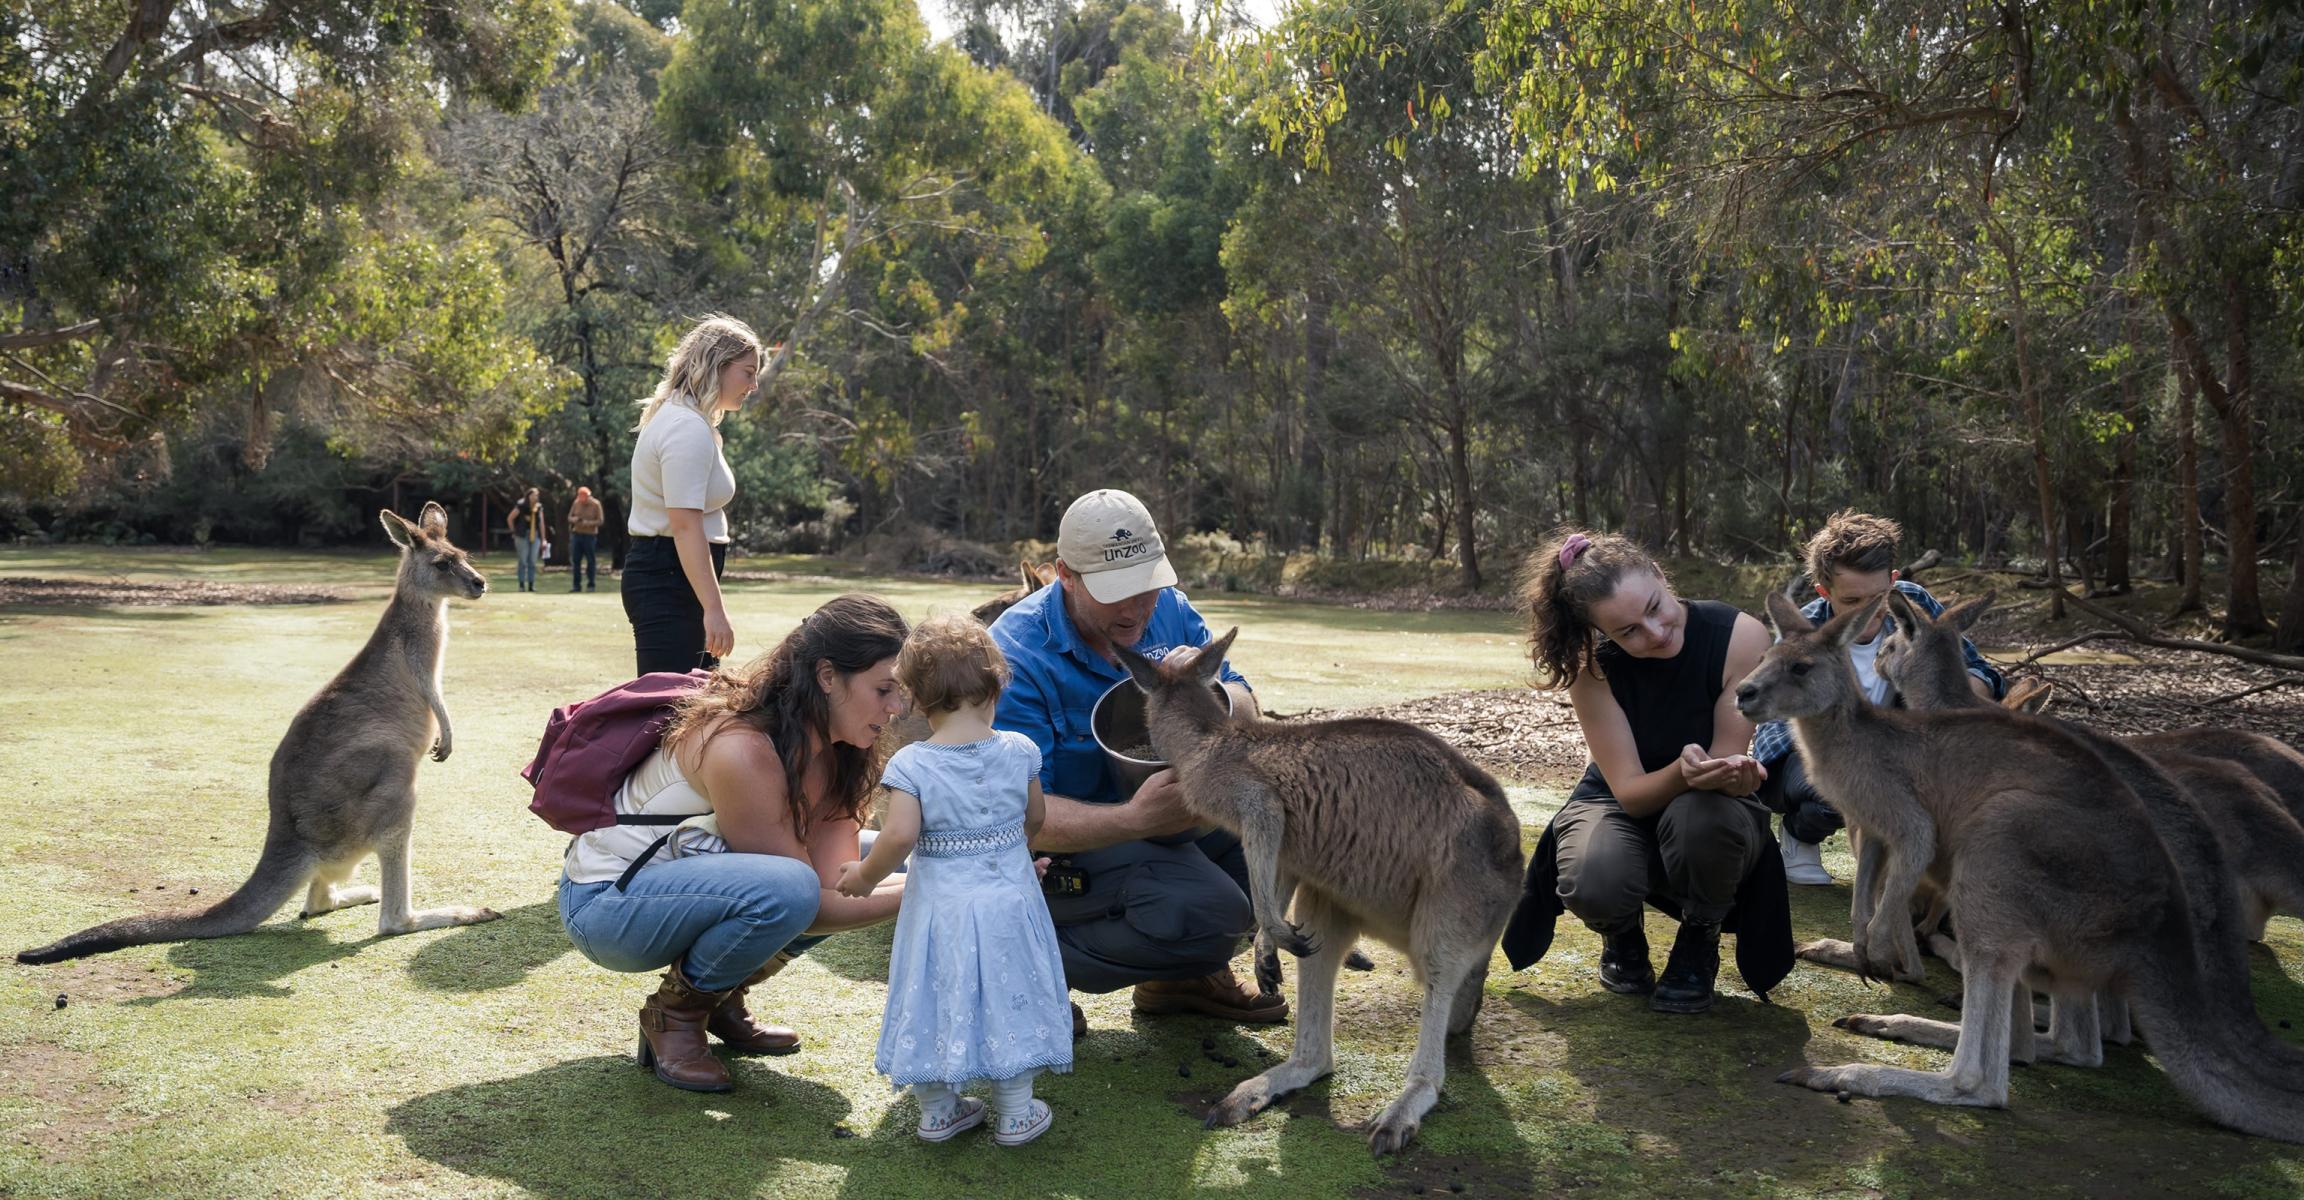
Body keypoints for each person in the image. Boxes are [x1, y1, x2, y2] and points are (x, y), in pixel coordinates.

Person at [557, 594, 910, 1093]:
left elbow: (841, 878)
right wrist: (931, 886)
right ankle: (676, 1016)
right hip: (606, 905)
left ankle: (722, 996)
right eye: (883, 690)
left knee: (892, 853)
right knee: (789, 888)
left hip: (678, 887)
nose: (896, 708)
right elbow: (807, 901)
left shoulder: (838, 749)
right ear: (828, 676)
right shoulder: (741, 748)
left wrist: (933, 871)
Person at [986, 488, 1286, 1030]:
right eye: (1115, 592)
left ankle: (1179, 980)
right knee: (1212, 910)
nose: (1135, 609)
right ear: (1065, 575)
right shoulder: (1016, 653)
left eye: (1145, 587)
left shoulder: (1168, 609)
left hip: (1166, 815)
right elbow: (1017, 818)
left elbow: (1244, 703)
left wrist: (1212, 682)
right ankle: (1024, 969)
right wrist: (1134, 820)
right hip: (1061, 848)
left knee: (1275, 853)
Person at [1499, 530, 1792, 1014]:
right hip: (1618, 796)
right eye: (1628, 631)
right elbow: (1631, 794)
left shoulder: (1741, 636)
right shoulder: (1590, 666)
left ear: (1659, 574)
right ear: (1600, 633)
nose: (1654, 633)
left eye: (1655, 607)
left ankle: (1700, 936)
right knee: (1592, 878)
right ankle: (1622, 936)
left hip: (1708, 804)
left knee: (1705, 820)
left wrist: (1737, 777)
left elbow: (1724, 764)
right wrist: (1682, 771)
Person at [837, 615, 1071, 1146]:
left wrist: (864, 877)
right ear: (995, 684)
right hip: (1010, 901)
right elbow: (1033, 818)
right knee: (1011, 988)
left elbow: (897, 837)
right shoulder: (1020, 750)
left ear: (916, 697)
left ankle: (939, 1111)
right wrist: (1014, 854)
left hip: (940, 907)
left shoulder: (914, 763)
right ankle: (1015, 1111)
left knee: (933, 990)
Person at [1751, 511, 2005, 884]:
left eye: (1879, 595)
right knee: (1849, 786)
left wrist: (1947, 699)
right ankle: (1800, 832)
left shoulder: (1910, 607)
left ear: (1894, 581)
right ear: (1825, 592)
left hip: (1899, 743)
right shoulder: (1806, 630)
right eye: (1852, 600)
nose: (1869, 609)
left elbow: (1981, 672)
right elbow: (1773, 728)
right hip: (1821, 752)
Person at [624, 314, 761, 676]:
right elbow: (685, 526)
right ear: (717, 365)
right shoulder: (686, 427)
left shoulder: (692, 421)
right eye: (748, 372)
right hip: (668, 582)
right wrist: (714, 610)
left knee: (691, 709)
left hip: (675, 580)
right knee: (668, 711)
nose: (754, 384)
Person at [507, 486, 547, 593]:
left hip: (535, 535)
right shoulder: (521, 506)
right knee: (523, 561)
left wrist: (543, 539)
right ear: (528, 496)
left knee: (532, 561)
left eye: (536, 495)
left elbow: (542, 523)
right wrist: (513, 532)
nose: (535, 497)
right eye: (533, 495)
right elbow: (510, 518)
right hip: (522, 536)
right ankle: (521, 585)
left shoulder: (539, 507)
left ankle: (531, 585)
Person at [567, 486, 605, 593]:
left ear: (589, 496)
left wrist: (588, 523)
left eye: (584, 497)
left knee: (591, 561)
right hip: (577, 535)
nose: (582, 499)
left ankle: (591, 585)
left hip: (590, 535)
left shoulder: (596, 504)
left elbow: (601, 521)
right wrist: (575, 519)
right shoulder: (576, 503)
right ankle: (576, 586)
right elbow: (569, 517)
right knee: (576, 561)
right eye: (580, 497)